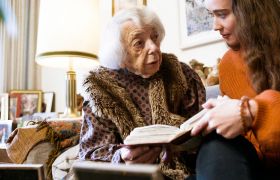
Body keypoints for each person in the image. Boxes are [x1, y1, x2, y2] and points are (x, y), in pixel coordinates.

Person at [190, 0, 280, 179]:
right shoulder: (227, 64)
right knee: (216, 143)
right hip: (259, 167)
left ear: (251, 11)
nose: (215, 26)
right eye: (212, 15)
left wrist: (253, 112)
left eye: (222, 15)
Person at [79, 7, 205, 180]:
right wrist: (122, 158)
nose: (154, 47)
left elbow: (201, 132)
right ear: (120, 54)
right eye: (139, 43)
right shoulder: (100, 90)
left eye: (154, 37)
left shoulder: (181, 74)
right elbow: (90, 155)